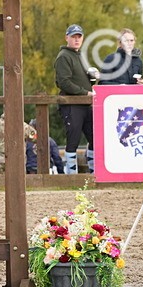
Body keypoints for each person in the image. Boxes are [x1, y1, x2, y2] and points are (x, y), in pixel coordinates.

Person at [55, 24, 96, 174]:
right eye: (73, 37)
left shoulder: (79, 55)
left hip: (85, 104)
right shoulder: (63, 57)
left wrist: (91, 82)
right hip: (71, 103)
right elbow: (64, 82)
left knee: (94, 137)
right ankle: (71, 176)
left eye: (79, 37)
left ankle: (93, 172)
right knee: (73, 139)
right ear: (67, 38)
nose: (76, 39)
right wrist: (85, 92)